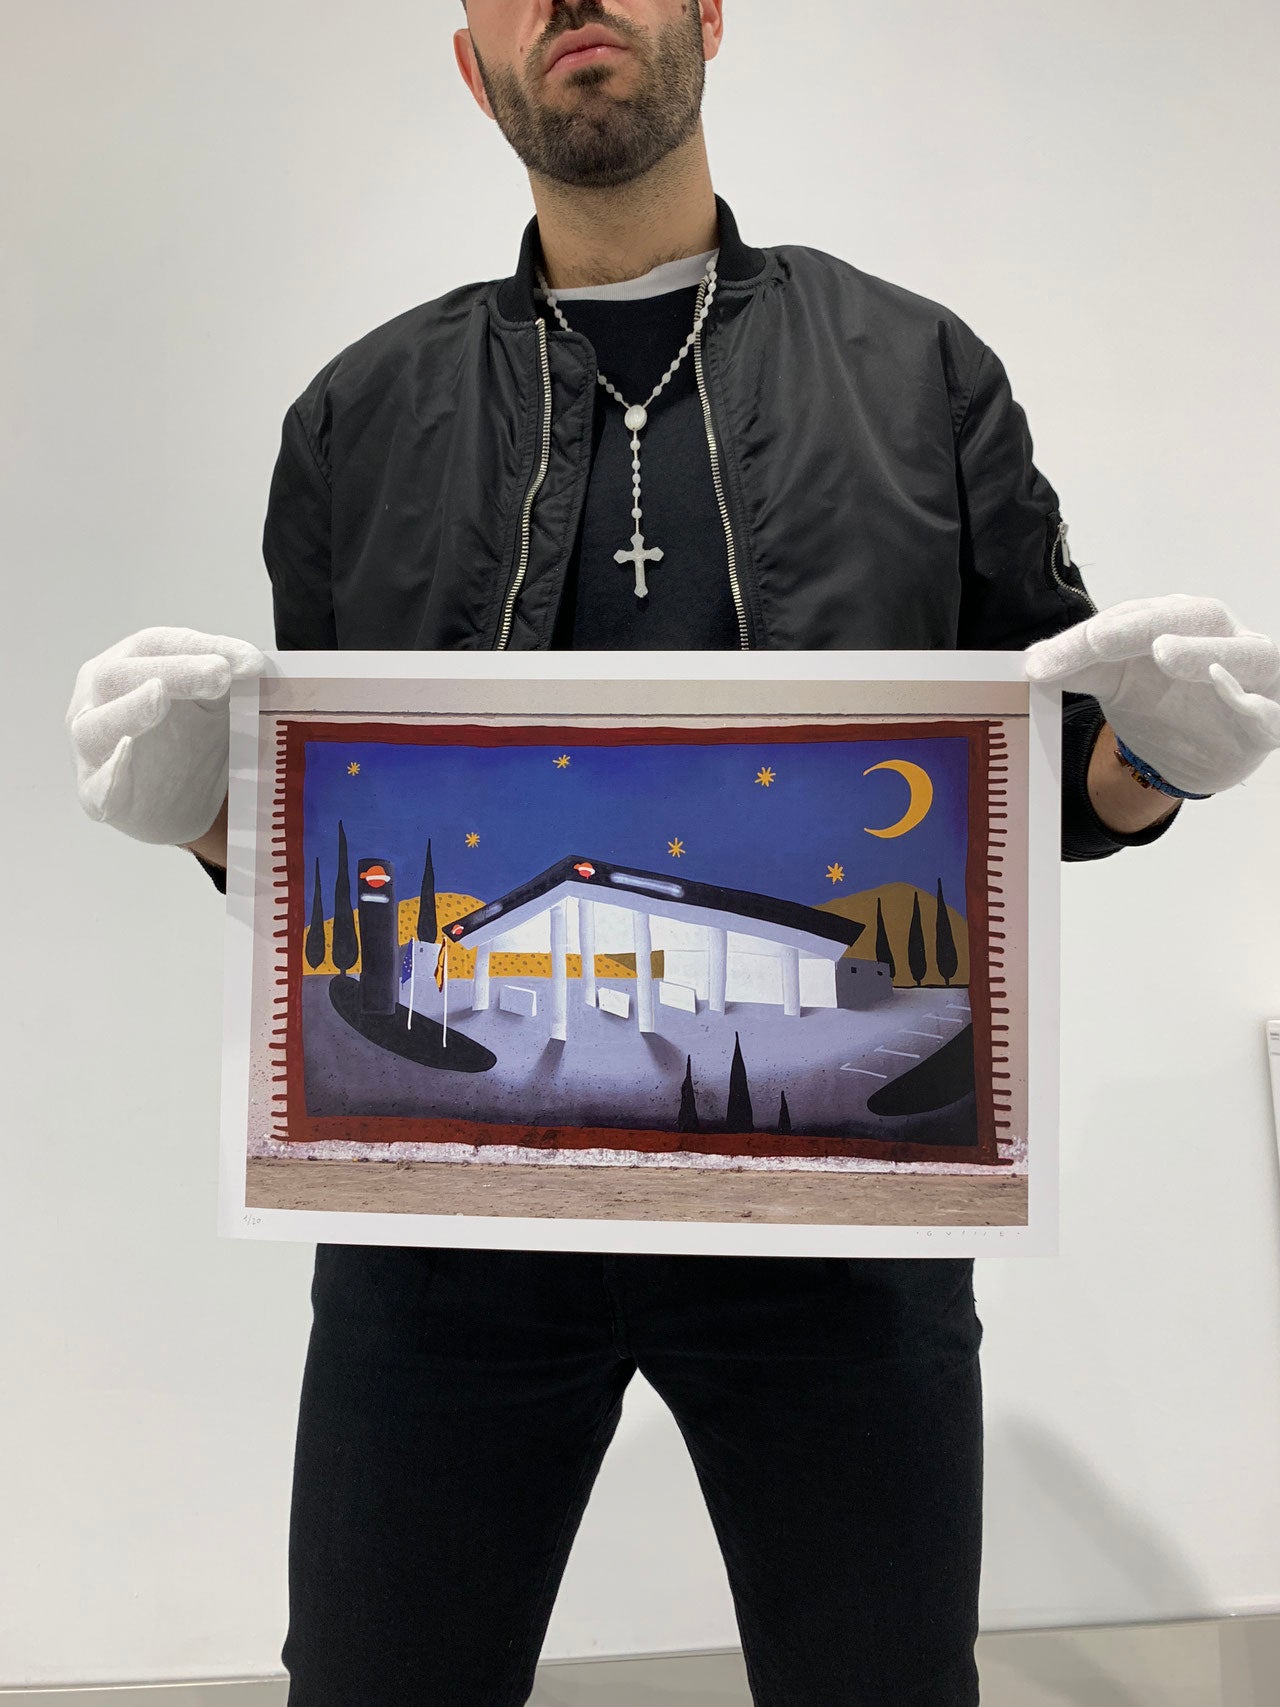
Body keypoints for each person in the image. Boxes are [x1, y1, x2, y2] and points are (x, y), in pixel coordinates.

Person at [65, 3, 1280, 1702]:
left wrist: (1155, 755)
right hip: (443, 1245)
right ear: (474, 60)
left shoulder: (920, 374)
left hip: (842, 1237)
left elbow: (1043, 780)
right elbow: (335, 831)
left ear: (710, 13)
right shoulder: (357, 417)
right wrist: (209, 809)